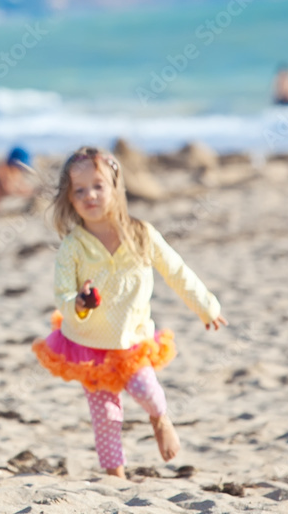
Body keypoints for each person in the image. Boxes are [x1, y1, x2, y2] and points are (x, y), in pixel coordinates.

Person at [31, 147, 226, 480]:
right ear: (69, 198)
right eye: (79, 190)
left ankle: (160, 420)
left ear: (116, 187)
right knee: (106, 417)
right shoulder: (73, 246)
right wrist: (79, 303)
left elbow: (176, 271)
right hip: (89, 347)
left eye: (98, 186)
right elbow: (62, 295)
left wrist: (206, 306)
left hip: (132, 341)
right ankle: (115, 475)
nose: (90, 195)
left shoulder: (141, 234)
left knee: (150, 395)